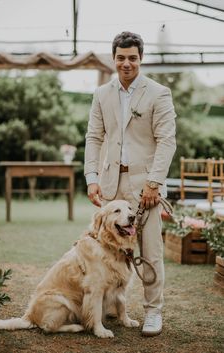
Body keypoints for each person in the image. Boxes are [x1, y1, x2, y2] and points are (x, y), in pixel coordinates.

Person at [84, 31, 176, 337]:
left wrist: (154, 183)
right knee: (107, 250)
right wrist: (92, 177)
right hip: (111, 186)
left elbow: (167, 141)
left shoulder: (158, 93)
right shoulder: (101, 94)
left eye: (132, 58)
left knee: (150, 251)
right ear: (113, 59)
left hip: (145, 187)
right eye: (121, 58)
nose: (127, 63)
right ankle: (112, 305)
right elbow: (94, 138)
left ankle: (153, 312)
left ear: (141, 58)